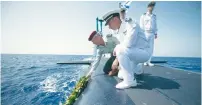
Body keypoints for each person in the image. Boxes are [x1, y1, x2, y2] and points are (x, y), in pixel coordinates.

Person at [102, 9, 151, 89]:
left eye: (109, 23)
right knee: (120, 75)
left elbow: (129, 44)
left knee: (120, 50)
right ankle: (137, 68)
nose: (109, 26)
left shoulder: (131, 23)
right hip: (134, 54)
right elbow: (125, 47)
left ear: (115, 19)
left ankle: (130, 81)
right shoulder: (119, 31)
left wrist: (117, 47)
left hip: (144, 52)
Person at [140, 1, 158, 66]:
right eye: (151, 6)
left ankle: (148, 61)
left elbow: (155, 25)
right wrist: (142, 34)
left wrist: (156, 33)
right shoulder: (143, 15)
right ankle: (144, 61)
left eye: (153, 6)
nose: (152, 8)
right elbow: (141, 25)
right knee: (145, 48)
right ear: (148, 7)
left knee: (151, 48)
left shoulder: (154, 16)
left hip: (152, 33)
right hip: (145, 33)